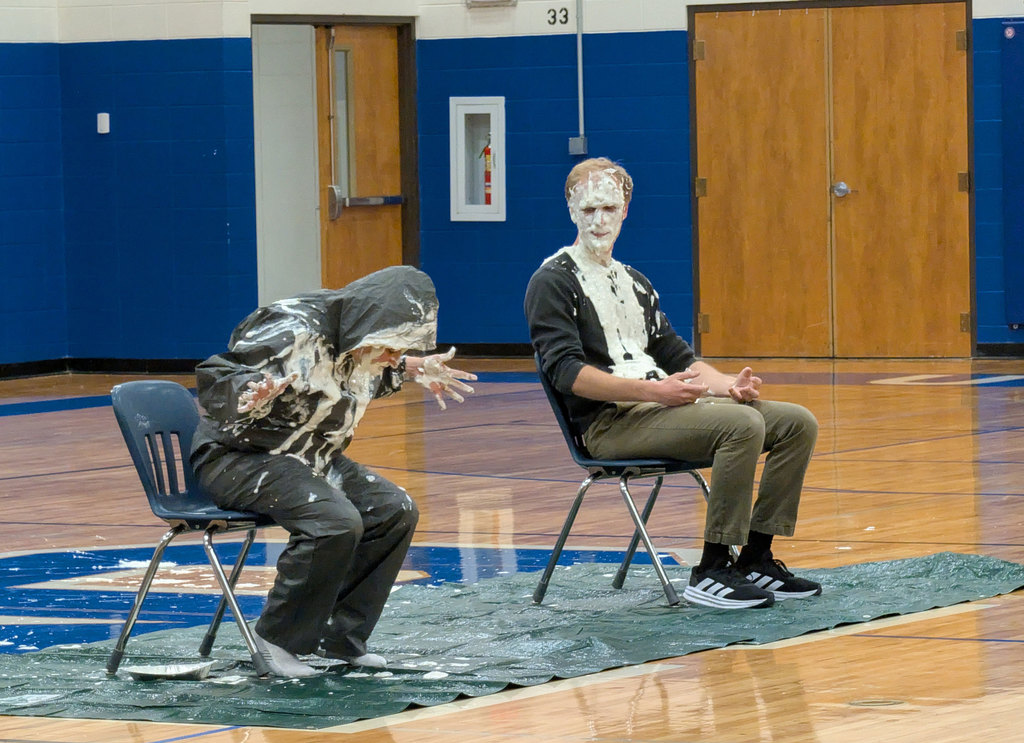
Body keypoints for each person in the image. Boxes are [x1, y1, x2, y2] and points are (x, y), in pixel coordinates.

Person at [525, 157, 820, 610]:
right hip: (610, 425)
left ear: (626, 210)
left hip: (661, 409)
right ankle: (712, 567)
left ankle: (756, 558)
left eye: (609, 208)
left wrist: (728, 386)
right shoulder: (552, 282)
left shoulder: (636, 283)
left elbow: (679, 358)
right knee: (742, 426)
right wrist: (654, 392)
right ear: (571, 211)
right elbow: (567, 374)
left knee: (798, 423)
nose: (599, 220)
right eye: (588, 210)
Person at [191, 265, 476, 677]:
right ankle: (276, 640)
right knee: (335, 521)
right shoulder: (291, 330)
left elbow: (349, 379)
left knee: (394, 510)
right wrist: (250, 393)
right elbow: (218, 375)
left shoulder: (360, 341)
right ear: (370, 327)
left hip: (308, 454)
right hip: (237, 457)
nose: (395, 358)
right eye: (392, 348)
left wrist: (410, 367)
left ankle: (338, 637)